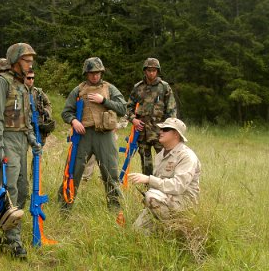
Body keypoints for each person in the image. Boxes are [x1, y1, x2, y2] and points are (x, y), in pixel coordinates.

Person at [0, 43, 41, 259]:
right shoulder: (1, 83)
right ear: (15, 60)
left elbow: (26, 118)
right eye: (27, 61)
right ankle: (13, 241)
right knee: (8, 189)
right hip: (6, 138)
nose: (30, 65)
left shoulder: (23, 86)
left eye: (31, 61)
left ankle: (8, 229)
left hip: (21, 140)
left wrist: (32, 139)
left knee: (23, 188)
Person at [58, 57, 127, 212]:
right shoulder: (78, 90)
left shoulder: (110, 89)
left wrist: (103, 101)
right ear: (86, 73)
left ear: (101, 73)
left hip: (105, 136)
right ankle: (64, 208)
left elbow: (123, 108)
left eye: (97, 73)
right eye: (91, 73)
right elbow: (66, 112)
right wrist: (74, 121)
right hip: (84, 136)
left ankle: (116, 210)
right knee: (73, 171)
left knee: (111, 173)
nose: (95, 76)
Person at [128, 118, 201, 233]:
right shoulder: (160, 155)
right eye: (161, 128)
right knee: (136, 232)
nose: (160, 131)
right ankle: (160, 227)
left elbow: (178, 186)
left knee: (151, 196)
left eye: (165, 129)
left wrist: (148, 179)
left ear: (176, 134)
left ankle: (178, 229)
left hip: (183, 202)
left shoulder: (187, 156)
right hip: (163, 198)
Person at [127, 58, 177, 176]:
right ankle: (147, 187)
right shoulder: (138, 87)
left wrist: (169, 129)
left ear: (157, 71)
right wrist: (133, 119)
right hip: (142, 132)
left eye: (154, 70)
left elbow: (172, 110)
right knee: (145, 161)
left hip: (160, 132)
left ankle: (165, 184)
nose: (151, 73)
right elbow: (128, 107)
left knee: (166, 159)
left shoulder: (164, 87)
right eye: (149, 70)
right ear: (145, 71)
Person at [24, 69, 55, 144]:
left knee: (38, 152)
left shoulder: (38, 92)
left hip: (38, 126)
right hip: (24, 126)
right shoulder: (19, 92)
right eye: (28, 78)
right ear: (23, 78)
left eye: (32, 78)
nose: (31, 80)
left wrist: (45, 111)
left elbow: (48, 104)